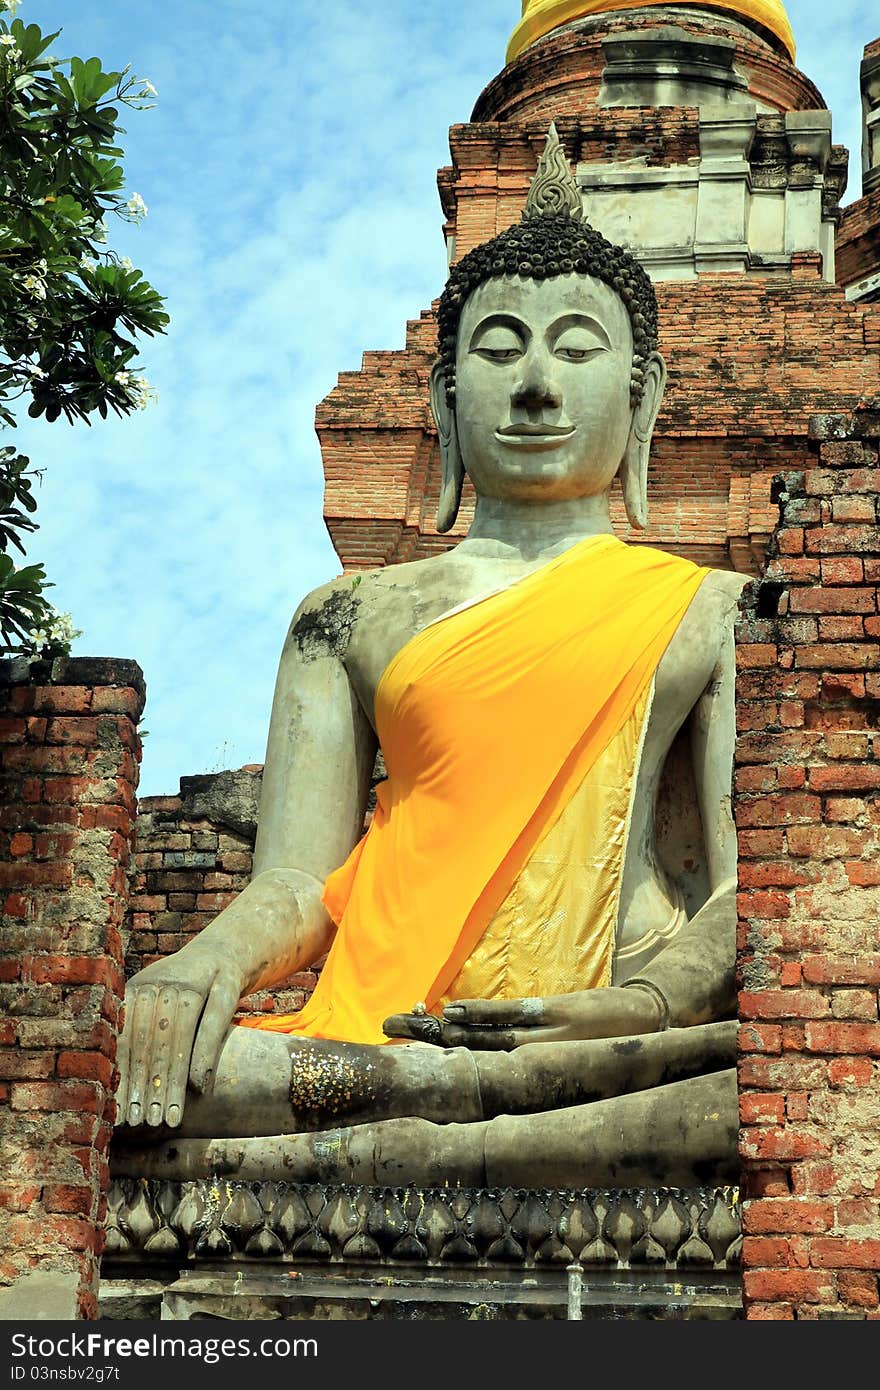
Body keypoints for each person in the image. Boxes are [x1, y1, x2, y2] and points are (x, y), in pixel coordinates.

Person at [114, 127, 746, 1187]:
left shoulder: (712, 609)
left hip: (609, 1046)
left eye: (578, 349)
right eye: (500, 349)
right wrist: (198, 963)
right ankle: (439, 1098)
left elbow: (741, 894)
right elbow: (298, 880)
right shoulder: (349, 614)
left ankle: (440, 1103)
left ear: (643, 396)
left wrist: (635, 1005)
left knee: (752, 1092)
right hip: (375, 1027)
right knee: (159, 1077)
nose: (537, 386)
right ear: (445, 397)